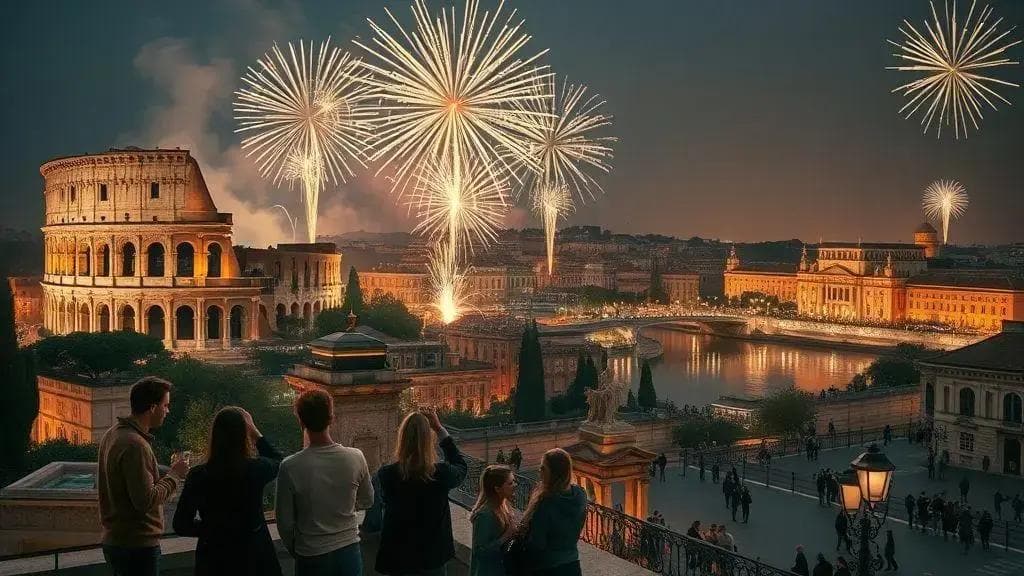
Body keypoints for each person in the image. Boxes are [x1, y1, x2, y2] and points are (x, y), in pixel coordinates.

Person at [275, 390, 374, 576]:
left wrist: (296, 549)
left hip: (311, 553)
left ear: (301, 421)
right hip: (349, 548)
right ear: (332, 418)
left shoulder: (290, 466)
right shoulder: (356, 457)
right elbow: (368, 500)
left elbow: (285, 522)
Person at [173, 407, 282, 575]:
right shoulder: (254, 470)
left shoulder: (199, 476)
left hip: (214, 559)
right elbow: (278, 461)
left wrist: (214, 529)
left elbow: (181, 524)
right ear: (243, 436)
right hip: (254, 556)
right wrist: (255, 432)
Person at [98, 377, 187, 576]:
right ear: (153, 407)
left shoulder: (114, 434)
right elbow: (145, 500)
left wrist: (160, 473)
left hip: (117, 540)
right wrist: (175, 475)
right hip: (137, 546)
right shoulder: (135, 445)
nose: (167, 411)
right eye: (165, 405)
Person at [376, 408, 468, 575]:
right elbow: (461, 466)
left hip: (399, 556)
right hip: (432, 557)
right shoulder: (440, 474)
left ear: (402, 438)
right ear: (428, 440)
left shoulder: (386, 475)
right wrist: (439, 429)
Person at [519, 448, 587, 576]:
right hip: (572, 565)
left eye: (543, 468)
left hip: (547, 568)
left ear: (555, 473)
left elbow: (537, 544)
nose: (539, 472)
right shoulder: (580, 495)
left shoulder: (546, 503)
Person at [470, 465, 516, 576]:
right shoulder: (485, 515)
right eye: (510, 483)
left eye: (514, 481)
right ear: (497, 489)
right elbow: (480, 552)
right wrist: (506, 535)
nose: (515, 485)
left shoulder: (503, 506)